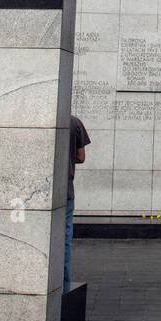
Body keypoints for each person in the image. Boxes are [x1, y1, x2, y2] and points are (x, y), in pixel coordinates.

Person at [65, 114, 90, 287]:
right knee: (65, 239)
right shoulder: (75, 122)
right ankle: (63, 284)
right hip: (66, 189)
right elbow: (81, 157)